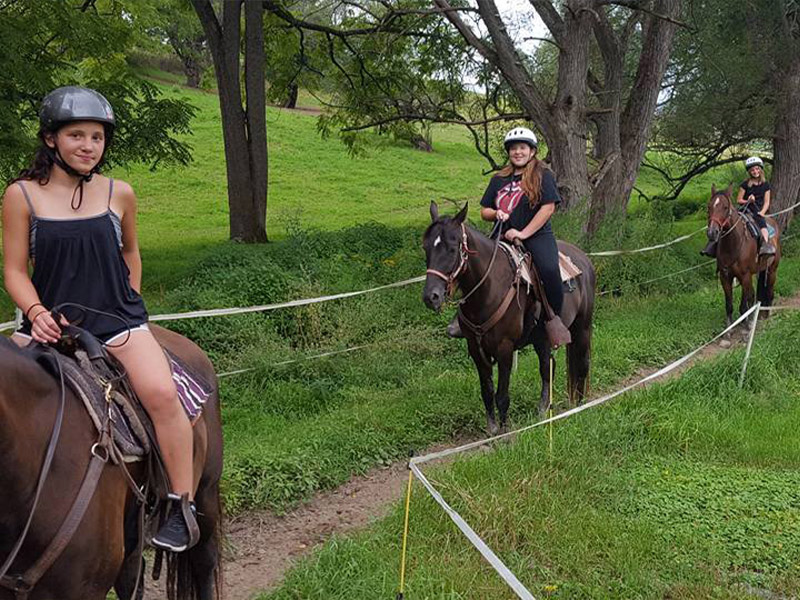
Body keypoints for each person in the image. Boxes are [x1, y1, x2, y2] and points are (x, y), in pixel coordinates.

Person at [1, 86, 198, 553]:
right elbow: (13, 269)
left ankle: (180, 506)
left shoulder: (120, 193)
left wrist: (129, 297)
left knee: (162, 395)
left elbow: (130, 251)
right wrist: (36, 313)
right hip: (51, 327)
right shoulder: (21, 195)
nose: (88, 146)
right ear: (51, 139)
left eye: (97, 137)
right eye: (76, 135)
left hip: (117, 324)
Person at [448, 126, 570, 346]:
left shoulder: (543, 175)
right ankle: (463, 319)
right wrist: (496, 213)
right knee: (472, 267)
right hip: (501, 235)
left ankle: (552, 321)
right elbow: (484, 211)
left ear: (532, 151)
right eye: (514, 148)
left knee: (550, 271)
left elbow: (548, 208)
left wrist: (523, 233)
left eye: (523, 148)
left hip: (536, 236)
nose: (518, 152)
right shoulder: (499, 179)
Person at [702, 156, 776, 257]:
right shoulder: (745, 184)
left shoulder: (765, 185)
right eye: (752, 170)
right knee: (727, 221)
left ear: (760, 169)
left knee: (762, 223)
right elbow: (739, 200)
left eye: (757, 169)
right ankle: (712, 244)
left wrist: (762, 212)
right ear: (749, 171)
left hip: (758, 210)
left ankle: (765, 244)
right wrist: (748, 200)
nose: (755, 171)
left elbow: (767, 202)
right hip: (745, 208)